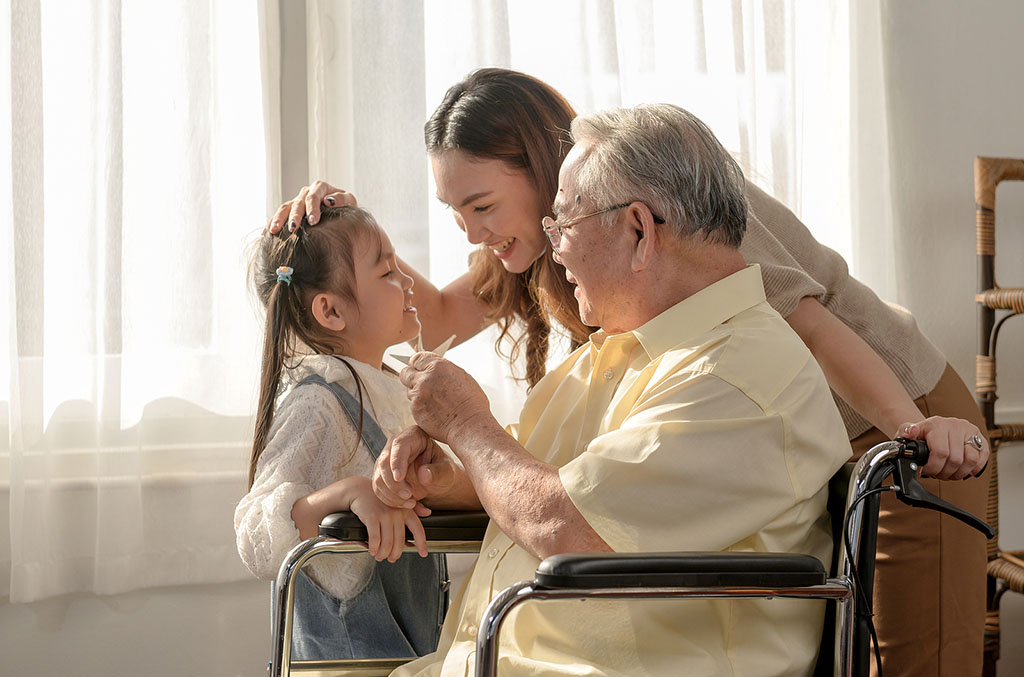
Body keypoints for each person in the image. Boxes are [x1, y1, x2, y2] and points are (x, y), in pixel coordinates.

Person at [271, 68, 989, 676]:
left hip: (889, 407)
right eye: (453, 211)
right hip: (737, 442)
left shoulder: (697, 240)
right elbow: (427, 313)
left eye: (480, 206)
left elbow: (809, 331)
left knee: (906, 660)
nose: (470, 233)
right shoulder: (609, 290)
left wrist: (914, 434)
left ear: (636, 227)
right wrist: (336, 232)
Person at [373, 102, 853, 675]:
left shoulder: (736, 374)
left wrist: (467, 426)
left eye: (564, 224)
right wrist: (447, 472)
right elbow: (525, 480)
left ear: (638, 230)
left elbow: (565, 524)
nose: (555, 248)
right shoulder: (613, 355)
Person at [233, 206, 447, 660]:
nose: (409, 282)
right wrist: (347, 494)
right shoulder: (317, 402)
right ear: (330, 310)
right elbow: (256, 531)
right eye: (389, 271)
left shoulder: (392, 388)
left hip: (413, 652)